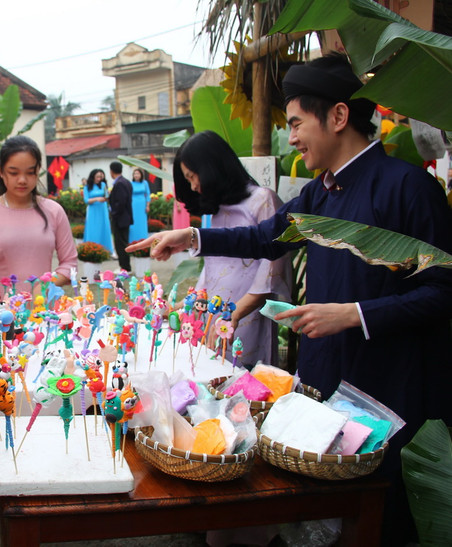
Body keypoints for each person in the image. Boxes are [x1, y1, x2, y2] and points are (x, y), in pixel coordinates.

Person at [129, 54, 452, 544]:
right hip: (326, 375)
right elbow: (264, 237)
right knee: (322, 510)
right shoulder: (320, 194)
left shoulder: (408, 188)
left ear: (338, 116)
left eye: (298, 123)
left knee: (378, 518)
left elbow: (442, 291)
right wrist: (192, 237)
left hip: (388, 381)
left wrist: (355, 314)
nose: (293, 137)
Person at [173, 130, 291, 367]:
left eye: (193, 176)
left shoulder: (263, 200)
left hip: (246, 319)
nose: (193, 186)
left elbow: (269, 275)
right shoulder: (218, 211)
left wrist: (234, 316)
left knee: (244, 378)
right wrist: (186, 304)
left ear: (211, 167)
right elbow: (211, 271)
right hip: (214, 317)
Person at [0, 135, 78, 292]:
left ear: (38, 171)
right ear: (1, 171)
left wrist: (46, 285)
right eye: (13, 173)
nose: (22, 180)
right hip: (3, 305)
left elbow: (70, 263)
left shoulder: (54, 211)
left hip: (44, 306)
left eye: (30, 172)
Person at [107, 161, 133, 272]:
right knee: (122, 242)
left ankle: (125, 267)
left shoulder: (120, 183)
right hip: (124, 217)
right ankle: (124, 266)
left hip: (120, 218)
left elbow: (120, 202)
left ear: (111, 171)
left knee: (120, 244)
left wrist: (114, 214)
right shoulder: (126, 182)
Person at [82, 168, 113, 252]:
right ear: (93, 177)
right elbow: (86, 200)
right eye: (97, 177)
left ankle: (106, 249)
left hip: (102, 209)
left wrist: (107, 196)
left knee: (104, 227)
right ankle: (91, 248)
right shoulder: (87, 187)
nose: (99, 179)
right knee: (93, 228)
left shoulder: (103, 185)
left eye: (100, 177)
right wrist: (96, 199)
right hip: (93, 210)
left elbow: (106, 196)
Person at [129, 167, 151, 243]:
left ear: (141, 175)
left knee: (142, 222)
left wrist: (147, 205)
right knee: (133, 222)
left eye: (138, 173)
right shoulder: (130, 184)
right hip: (133, 204)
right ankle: (132, 240)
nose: (136, 175)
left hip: (142, 205)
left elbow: (148, 194)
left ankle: (143, 239)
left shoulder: (145, 183)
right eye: (135, 174)